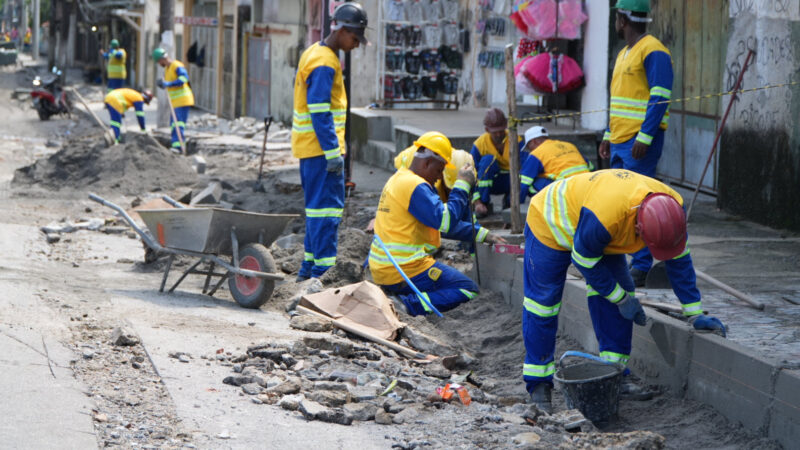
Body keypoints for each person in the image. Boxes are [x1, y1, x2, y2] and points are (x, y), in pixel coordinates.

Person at [521, 169, 727, 413]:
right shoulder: (606, 218)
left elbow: (679, 260)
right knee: (543, 305)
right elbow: (584, 261)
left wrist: (694, 312)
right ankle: (539, 387)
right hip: (551, 223)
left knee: (618, 294)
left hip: (599, 230)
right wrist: (620, 298)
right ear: (638, 226)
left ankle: (613, 377)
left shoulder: (674, 210)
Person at [369, 133, 505, 316]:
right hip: (404, 269)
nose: (439, 177)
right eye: (438, 170)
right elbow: (446, 222)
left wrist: (483, 235)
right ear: (427, 163)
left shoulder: (400, 179)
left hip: (386, 269)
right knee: (466, 289)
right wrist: (462, 184)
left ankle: (402, 294)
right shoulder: (414, 186)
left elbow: (439, 223)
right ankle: (407, 304)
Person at [598, 0, 674, 286]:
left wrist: (645, 136)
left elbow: (660, 96)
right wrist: (607, 134)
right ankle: (620, 258)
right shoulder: (623, 54)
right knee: (618, 204)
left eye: (617, 17)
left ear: (622, 19)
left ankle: (640, 266)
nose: (616, 22)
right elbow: (618, 101)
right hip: (619, 140)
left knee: (638, 204)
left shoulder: (654, 50)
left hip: (638, 143)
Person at [291, 2, 367, 281]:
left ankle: (308, 270)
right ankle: (322, 273)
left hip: (311, 149)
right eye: (355, 38)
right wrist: (333, 152)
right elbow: (320, 110)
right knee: (327, 211)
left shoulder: (316, 53)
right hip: (322, 151)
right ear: (343, 30)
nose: (357, 45)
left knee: (316, 211)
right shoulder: (324, 62)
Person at [394, 136, 493, 252]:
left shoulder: (453, 166)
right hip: (405, 166)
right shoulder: (427, 182)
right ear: (442, 177)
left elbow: (465, 214)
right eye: (452, 189)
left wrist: (482, 234)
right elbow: (442, 224)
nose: (453, 192)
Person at [470, 107, 525, 218]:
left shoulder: (516, 140)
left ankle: (509, 203)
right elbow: (471, 174)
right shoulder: (479, 144)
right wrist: (477, 201)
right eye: (495, 132)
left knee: (524, 178)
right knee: (488, 160)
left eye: (501, 130)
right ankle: (484, 204)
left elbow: (525, 169)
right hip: (490, 182)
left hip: (510, 181)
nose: (499, 134)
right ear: (487, 130)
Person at [518, 126, 592, 204]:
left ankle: (547, 204)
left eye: (529, 147)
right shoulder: (569, 145)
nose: (530, 150)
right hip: (587, 186)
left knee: (531, 181)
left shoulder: (537, 153)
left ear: (533, 141)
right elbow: (591, 167)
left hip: (567, 190)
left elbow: (524, 182)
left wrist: (517, 203)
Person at [153, 47, 194, 153]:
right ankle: (176, 145)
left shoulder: (176, 65)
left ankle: (179, 147)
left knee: (178, 124)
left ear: (162, 59)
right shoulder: (167, 70)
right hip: (176, 102)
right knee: (174, 124)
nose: (159, 64)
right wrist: (163, 84)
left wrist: (168, 84)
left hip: (183, 100)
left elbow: (184, 78)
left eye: (158, 61)